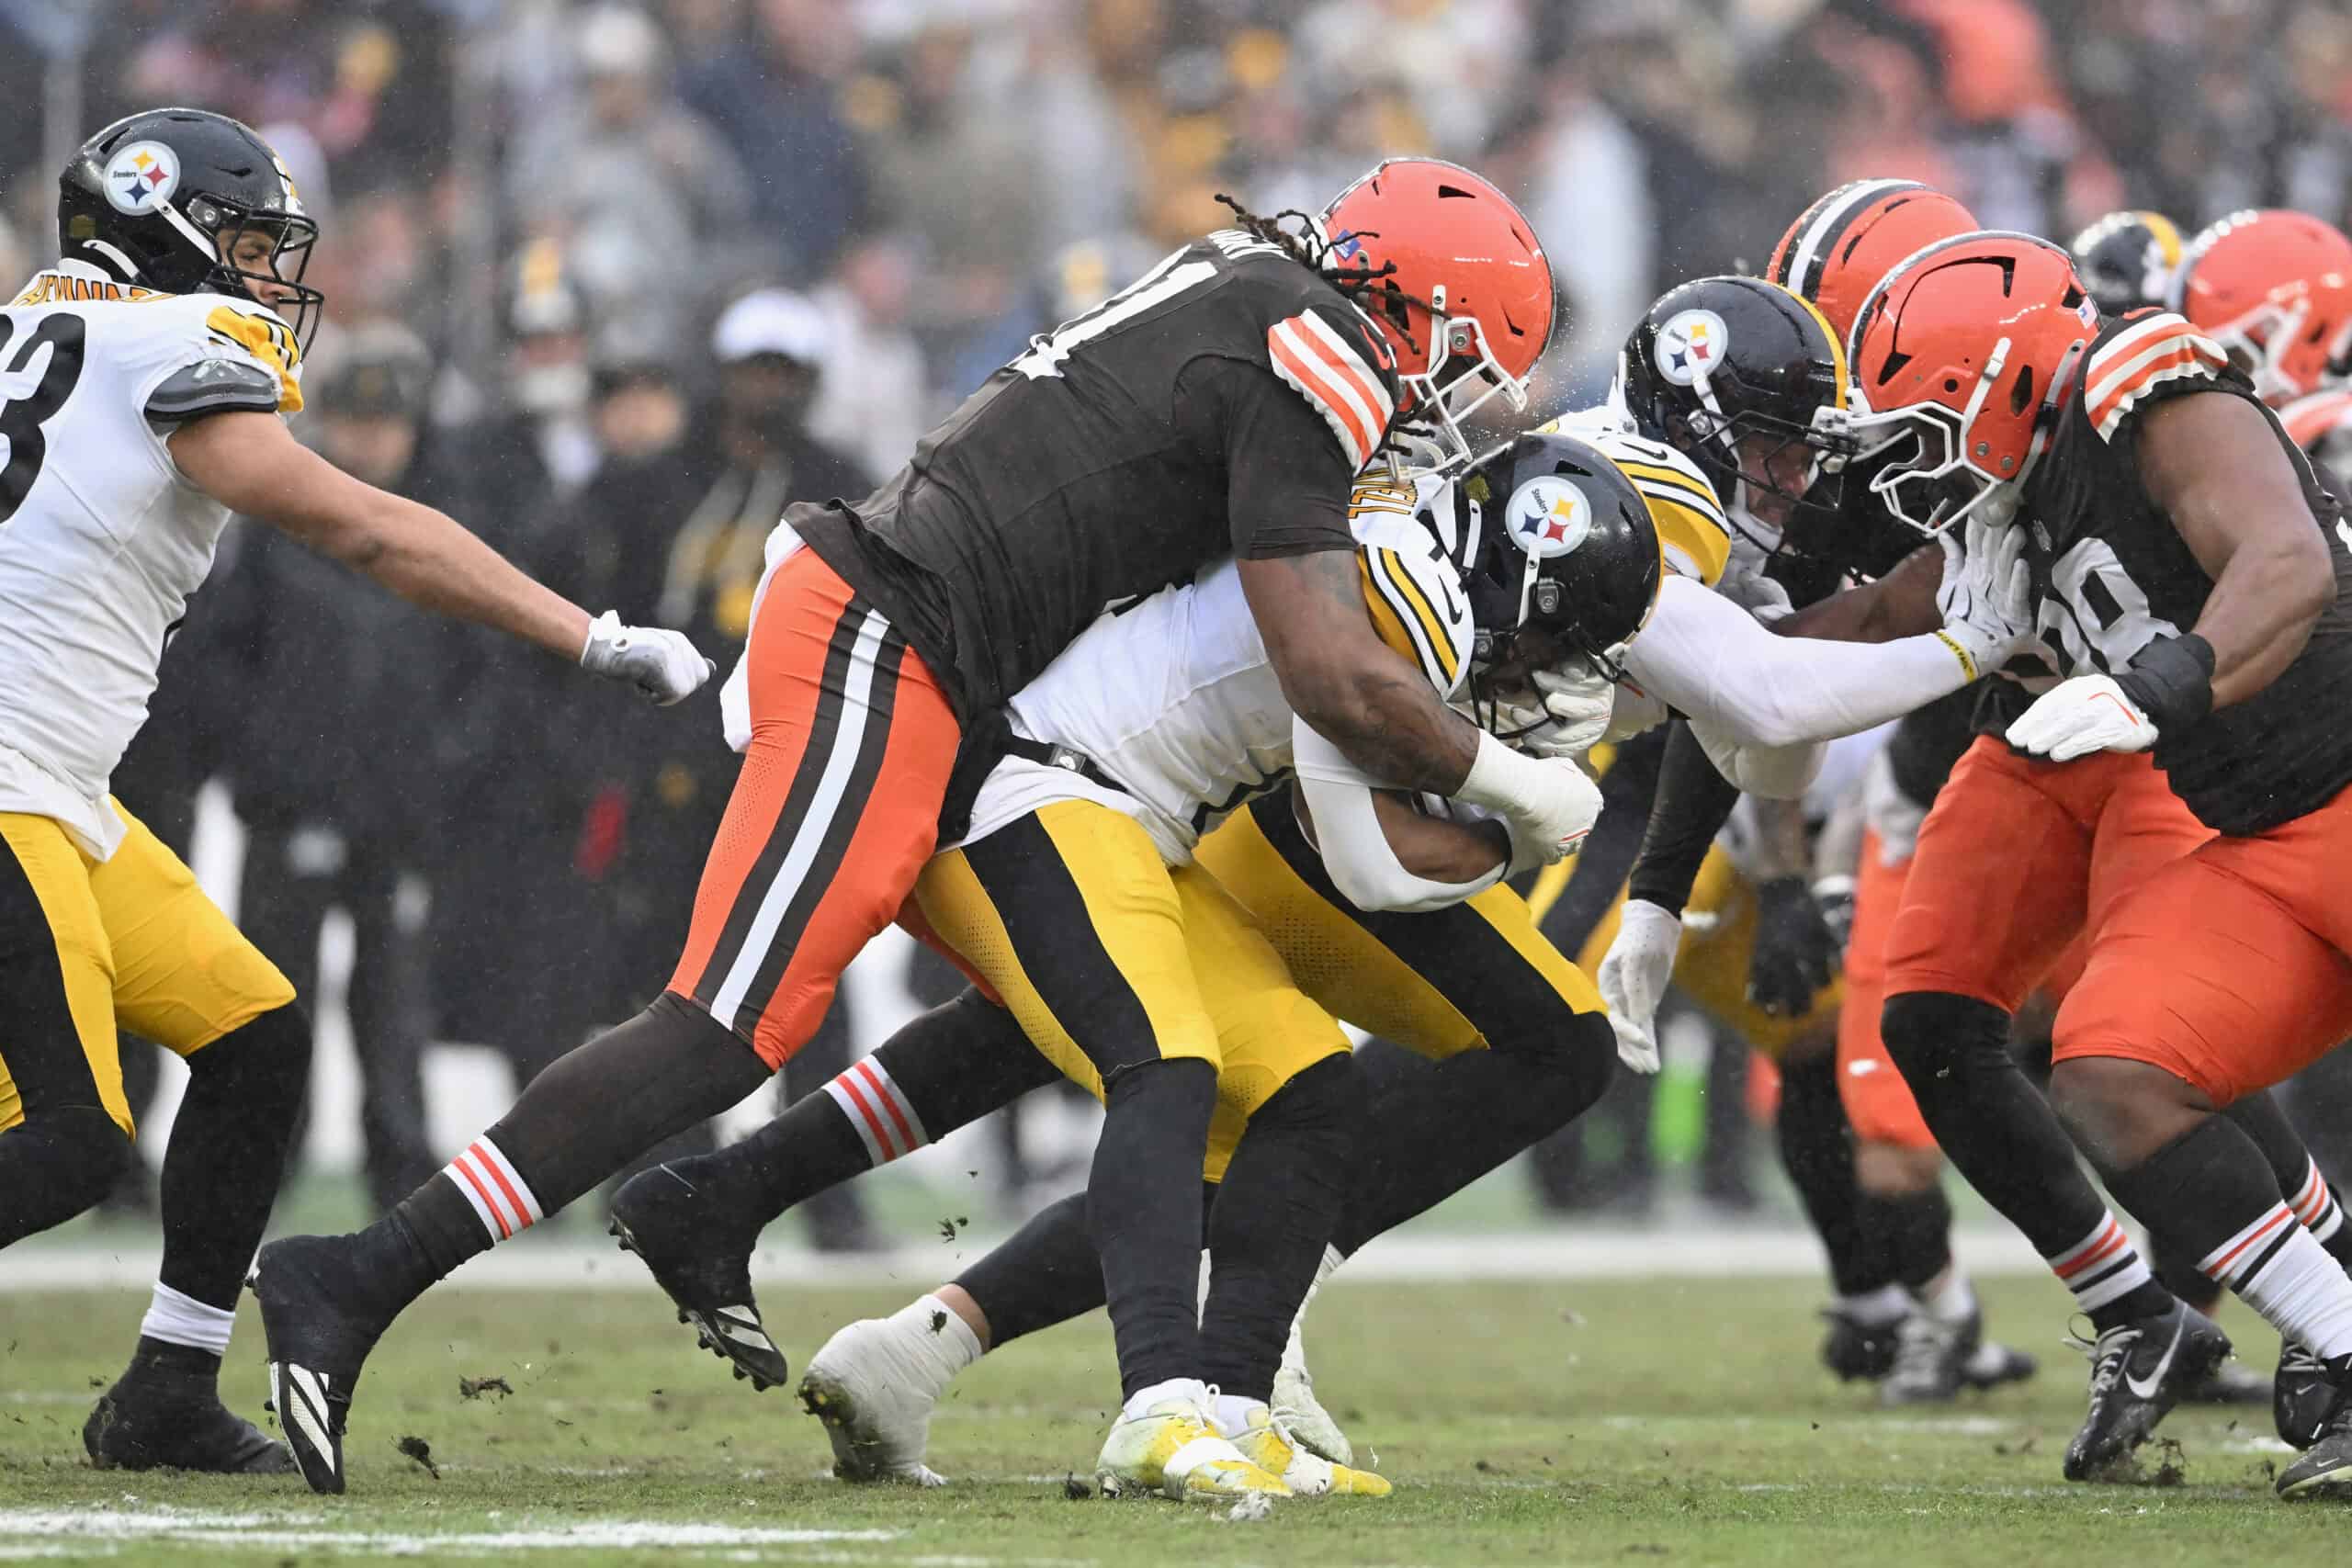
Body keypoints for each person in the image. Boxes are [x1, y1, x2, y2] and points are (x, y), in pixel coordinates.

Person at [252, 157, 1601, 1497]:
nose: (1454, 405)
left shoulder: (1250, 292)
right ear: (1409, 304)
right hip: (887, 635)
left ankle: (719, 1201)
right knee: (728, 1023)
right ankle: (354, 1273)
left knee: (1058, 999)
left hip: (944, 668)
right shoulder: (1318, 348)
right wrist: (1520, 783)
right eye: (1465, 360)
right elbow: (1324, 670)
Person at [616, 427, 1659, 1494]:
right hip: (1043, 789)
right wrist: (1525, 816)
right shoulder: (1391, 592)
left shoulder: (1396, 544)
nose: (1543, 674)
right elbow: (1369, 858)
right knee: (1164, 1064)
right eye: (1549, 640)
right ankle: (1160, 1402)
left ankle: (1228, 1408)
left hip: (1129, 811)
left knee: (1295, 1085)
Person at [0, 107, 711, 1475]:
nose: (270, 276)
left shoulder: (37, 324)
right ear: (161, 230)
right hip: (12, 777)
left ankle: (166, 1387)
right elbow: (368, 531)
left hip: (59, 786)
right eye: (248, 244)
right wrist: (590, 634)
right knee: (70, 1138)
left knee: (258, 1034)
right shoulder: (163, 347)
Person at [1792, 229, 2352, 1498]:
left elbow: (2287, 562)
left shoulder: (2139, 385)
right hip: (2265, 840)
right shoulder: (2010, 505)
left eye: (1926, 427)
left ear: (2001, 378)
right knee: (2111, 1077)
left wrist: (2156, 689)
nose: (1913, 466)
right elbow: (1855, 630)